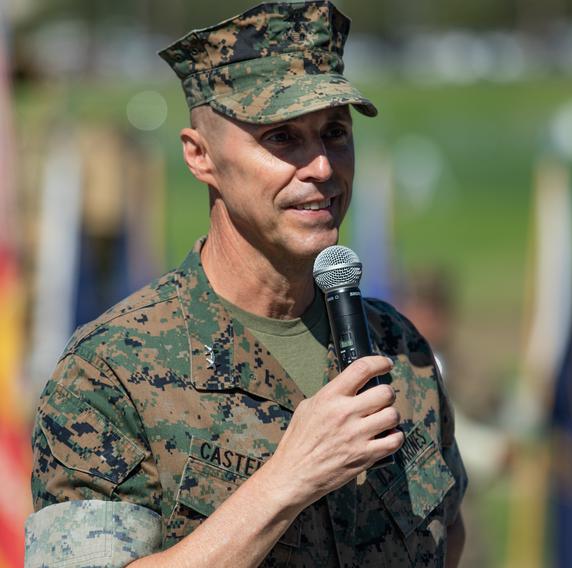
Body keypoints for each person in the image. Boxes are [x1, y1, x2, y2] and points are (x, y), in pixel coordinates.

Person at [25, 2, 467, 566]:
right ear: (200, 156)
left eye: (335, 132)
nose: (323, 167)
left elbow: (447, 536)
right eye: (282, 138)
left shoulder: (397, 348)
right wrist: (287, 481)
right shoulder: (111, 372)